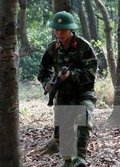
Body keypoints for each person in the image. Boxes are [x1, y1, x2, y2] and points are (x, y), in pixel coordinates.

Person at [37, 11, 97, 167]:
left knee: (83, 118)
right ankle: (68, 161)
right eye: (57, 30)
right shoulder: (52, 49)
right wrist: (47, 84)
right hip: (63, 95)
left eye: (63, 30)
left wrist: (72, 74)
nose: (59, 33)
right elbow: (43, 71)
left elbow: (90, 74)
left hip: (84, 93)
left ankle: (81, 158)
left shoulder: (84, 47)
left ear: (71, 30)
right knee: (60, 132)